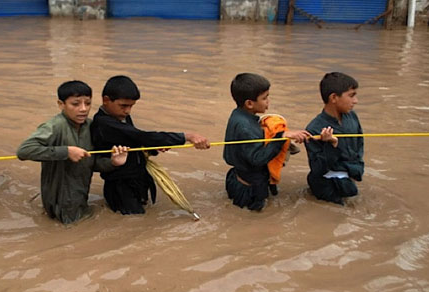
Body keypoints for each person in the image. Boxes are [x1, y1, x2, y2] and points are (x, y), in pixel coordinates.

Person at [91, 75, 210, 215]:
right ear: (106, 100)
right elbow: (141, 136)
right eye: (123, 106)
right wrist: (187, 136)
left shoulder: (121, 116)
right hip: (121, 186)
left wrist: (154, 147)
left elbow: (134, 140)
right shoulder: (103, 124)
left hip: (137, 178)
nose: (128, 111)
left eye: (131, 106)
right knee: (134, 221)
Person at [17, 80, 129, 224]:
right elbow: (24, 150)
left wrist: (113, 162)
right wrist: (66, 151)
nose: (83, 109)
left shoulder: (90, 126)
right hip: (60, 202)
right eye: (75, 104)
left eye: (87, 103)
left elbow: (91, 163)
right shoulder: (54, 126)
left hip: (80, 197)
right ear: (61, 104)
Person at [223, 73, 313, 211]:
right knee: (256, 221)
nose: (268, 101)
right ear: (249, 103)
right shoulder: (245, 127)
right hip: (249, 190)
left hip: (238, 177)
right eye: (264, 98)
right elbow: (258, 159)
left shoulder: (238, 115)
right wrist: (280, 137)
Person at [304, 72, 362, 205]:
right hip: (327, 186)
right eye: (351, 95)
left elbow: (359, 145)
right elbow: (318, 169)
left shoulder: (352, 117)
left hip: (349, 180)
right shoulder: (314, 129)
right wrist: (331, 145)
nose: (356, 101)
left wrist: (357, 170)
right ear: (334, 97)